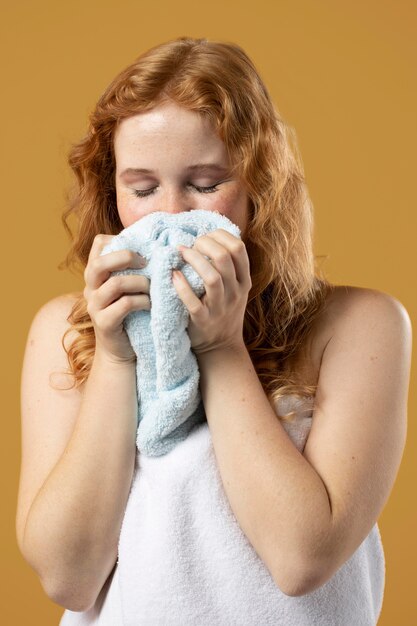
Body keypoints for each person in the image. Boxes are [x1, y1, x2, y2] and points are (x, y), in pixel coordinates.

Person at [16, 36, 411, 625]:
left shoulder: (362, 326)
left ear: (261, 186)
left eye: (204, 184)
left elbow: (301, 559)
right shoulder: (66, 329)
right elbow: (68, 577)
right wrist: (118, 359)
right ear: (112, 193)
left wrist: (222, 349)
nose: (171, 216)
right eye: (143, 189)